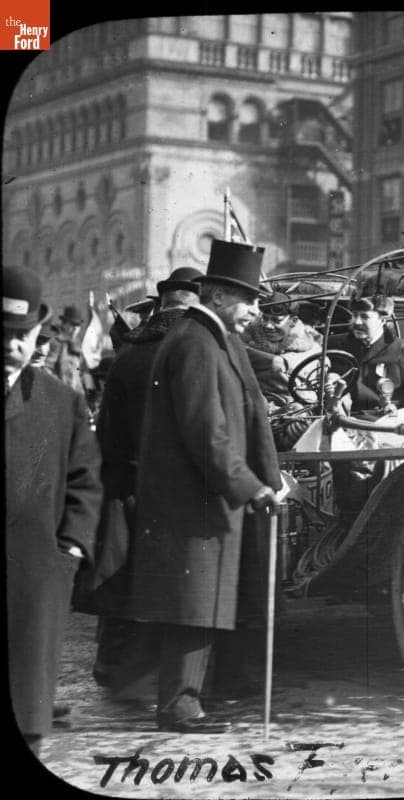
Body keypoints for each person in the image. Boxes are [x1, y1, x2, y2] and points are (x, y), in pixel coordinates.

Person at [124, 239, 281, 733]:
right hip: (194, 499)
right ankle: (178, 706)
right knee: (194, 603)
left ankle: (193, 696)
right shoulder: (195, 342)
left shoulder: (215, 338)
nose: (255, 312)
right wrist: (250, 486)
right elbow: (204, 430)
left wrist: (267, 478)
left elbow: (245, 414)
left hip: (208, 496)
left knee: (206, 600)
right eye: (248, 301)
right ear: (215, 297)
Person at [77, 267, 204, 696]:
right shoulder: (186, 350)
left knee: (120, 578)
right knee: (167, 584)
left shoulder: (129, 352)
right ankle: (153, 678)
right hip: (168, 486)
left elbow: (107, 427)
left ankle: (112, 668)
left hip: (123, 479)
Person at [5, 266, 102, 757]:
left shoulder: (60, 402)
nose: (11, 347)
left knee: (28, 710)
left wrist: (71, 544)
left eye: (22, 336)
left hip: (36, 567)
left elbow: (86, 481)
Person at [327, 295, 404, 413]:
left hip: (379, 420)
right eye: (354, 315)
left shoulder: (399, 349)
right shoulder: (332, 344)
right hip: (339, 416)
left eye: (365, 316)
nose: (357, 322)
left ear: (383, 320)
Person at [44, 303, 88, 396]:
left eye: (78, 325)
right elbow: (46, 369)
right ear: (64, 323)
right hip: (57, 395)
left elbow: (80, 375)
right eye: (72, 324)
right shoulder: (55, 340)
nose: (75, 329)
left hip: (74, 397)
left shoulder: (78, 345)